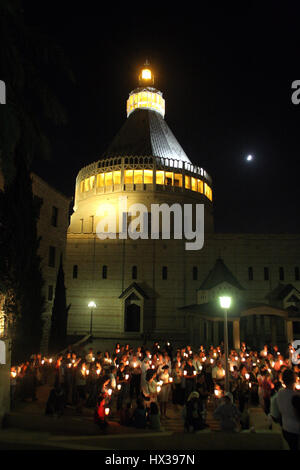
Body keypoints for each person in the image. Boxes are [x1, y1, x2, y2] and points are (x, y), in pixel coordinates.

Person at [276, 369, 300, 450]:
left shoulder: (280, 392)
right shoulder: (295, 396)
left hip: (285, 427)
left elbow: (280, 409)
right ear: (294, 380)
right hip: (296, 430)